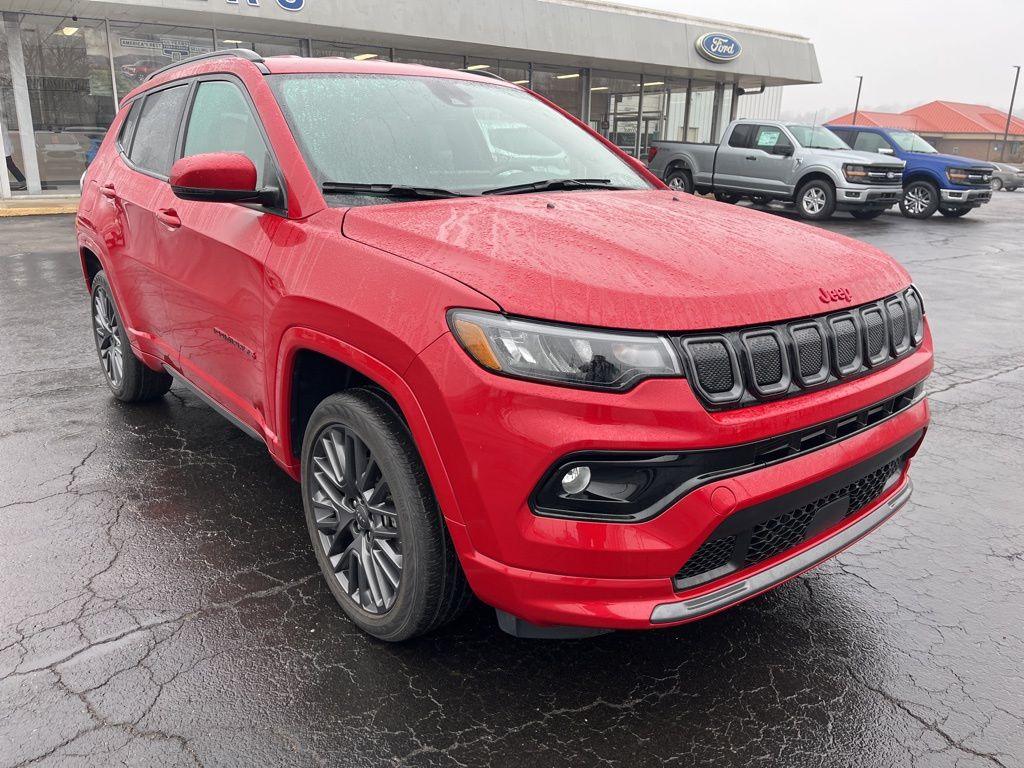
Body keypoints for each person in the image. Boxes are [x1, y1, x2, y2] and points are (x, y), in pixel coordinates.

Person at [3, 123, 27, 191]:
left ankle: (23, 182)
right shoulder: (2, 125)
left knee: (11, 166)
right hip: (5, 151)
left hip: (4, 151)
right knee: (11, 166)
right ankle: (23, 181)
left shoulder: (1, 125)